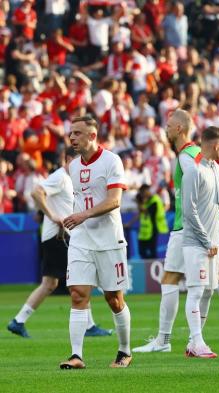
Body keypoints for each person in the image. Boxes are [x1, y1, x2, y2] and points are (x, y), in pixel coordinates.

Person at [133, 111, 219, 354]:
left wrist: (208, 235)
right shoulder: (198, 157)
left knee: (180, 283)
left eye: (169, 125)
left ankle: (168, 340)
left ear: (180, 128)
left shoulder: (187, 158)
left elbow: (195, 201)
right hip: (205, 227)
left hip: (187, 229)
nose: (165, 129)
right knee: (216, 283)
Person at [7, 148, 111, 339]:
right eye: (79, 160)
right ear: (69, 159)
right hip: (59, 237)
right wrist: (52, 215)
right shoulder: (61, 177)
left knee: (49, 283)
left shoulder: (69, 179)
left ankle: (18, 321)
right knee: (81, 277)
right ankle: (89, 326)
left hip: (55, 237)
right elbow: (36, 192)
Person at [60, 115, 132, 369]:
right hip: (81, 239)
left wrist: (83, 215)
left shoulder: (112, 161)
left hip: (109, 239)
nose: (72, 138)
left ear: (92, 136)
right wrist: (70, 219)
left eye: (77, 134)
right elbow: (79, 200)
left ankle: (124, 351)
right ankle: (76, 355)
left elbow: (114, 200)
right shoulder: (73, 166)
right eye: (71, 133)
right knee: (78, 294)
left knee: (114, 298)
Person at [180, 126, 219, 358]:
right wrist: (205, 239)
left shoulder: (214, 169)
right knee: (196, 291)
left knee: (209, 291)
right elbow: (188, 210)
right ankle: (198, 342)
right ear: (214, 145)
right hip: (196, 243)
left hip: (211, 242)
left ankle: (194, 342)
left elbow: (215, 206)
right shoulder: (194, 171)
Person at [136, 184, 169, 259]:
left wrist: (139, 202)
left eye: (142, 192)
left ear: (147, 191)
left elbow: (145, 211)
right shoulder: (148, 201)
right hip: (148, 231)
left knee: (153, 252)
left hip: (156, 229)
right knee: (144, 252)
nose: (142, 195)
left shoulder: (155, 200)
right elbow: (141, 213)